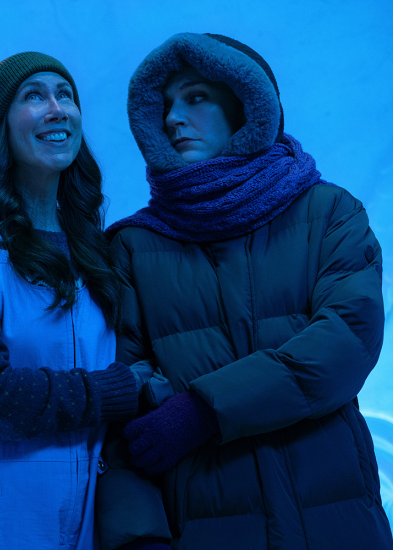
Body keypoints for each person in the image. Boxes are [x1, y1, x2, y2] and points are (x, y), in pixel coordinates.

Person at [106, 33, 393, 549]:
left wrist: (203, 410)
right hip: (207, 528)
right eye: (166, 105)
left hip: (336, 522)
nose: (173, 118)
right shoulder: (134, 245)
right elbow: (121, 409)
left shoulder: (327, 212)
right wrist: (139, 540)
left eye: (196, 97)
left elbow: (347, 338)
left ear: (246, 105)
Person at [0, 52, 171, 550]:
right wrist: (119, 390)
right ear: (1, 127)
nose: (58, 109)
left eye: (66, 95)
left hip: (89, 518)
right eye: (34, 96)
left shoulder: (95, 247)